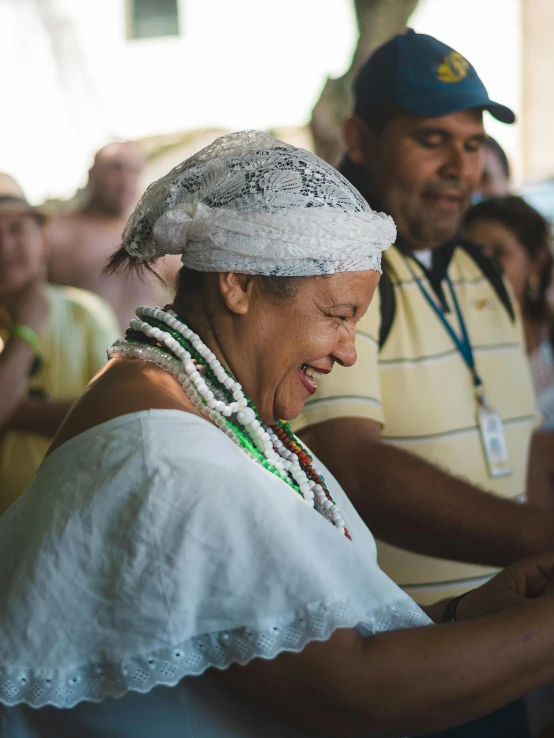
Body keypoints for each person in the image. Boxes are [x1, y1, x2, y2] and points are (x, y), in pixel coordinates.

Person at [5, 130, 554, 738]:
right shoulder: (168, 459)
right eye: (337, 316)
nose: (348, 352)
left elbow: (276, 643)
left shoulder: (189, 406)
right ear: (237, 283)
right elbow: (351, 695)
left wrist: (463, 612)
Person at [292, 31, 552, 736]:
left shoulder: (488, 271)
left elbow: (521, 446)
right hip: (396, 653)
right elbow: (349, 465)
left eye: (471, 145)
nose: (457, 167)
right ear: (359, 136)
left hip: (509, 638)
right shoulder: (339, 272)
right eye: (431, 139)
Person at [0, 173, 120, 514]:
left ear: (44, 240)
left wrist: (17, 410)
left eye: (16, 229)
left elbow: (111, 417)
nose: (5, 245)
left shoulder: (87, 313)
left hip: (71, 520)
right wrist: (26, 328)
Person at [47, 141, 179, 330]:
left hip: (146, 356)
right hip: (75, 358)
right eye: (116, 169)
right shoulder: (55, 233)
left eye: (135, 172)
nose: (127, 181)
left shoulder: (157, 237)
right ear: (92, 174)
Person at [464, 197, 554, 432]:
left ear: (536, 262)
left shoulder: (548, 328)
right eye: (474, 255)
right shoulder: (462, 336)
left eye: (498, 254)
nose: (483, 267)